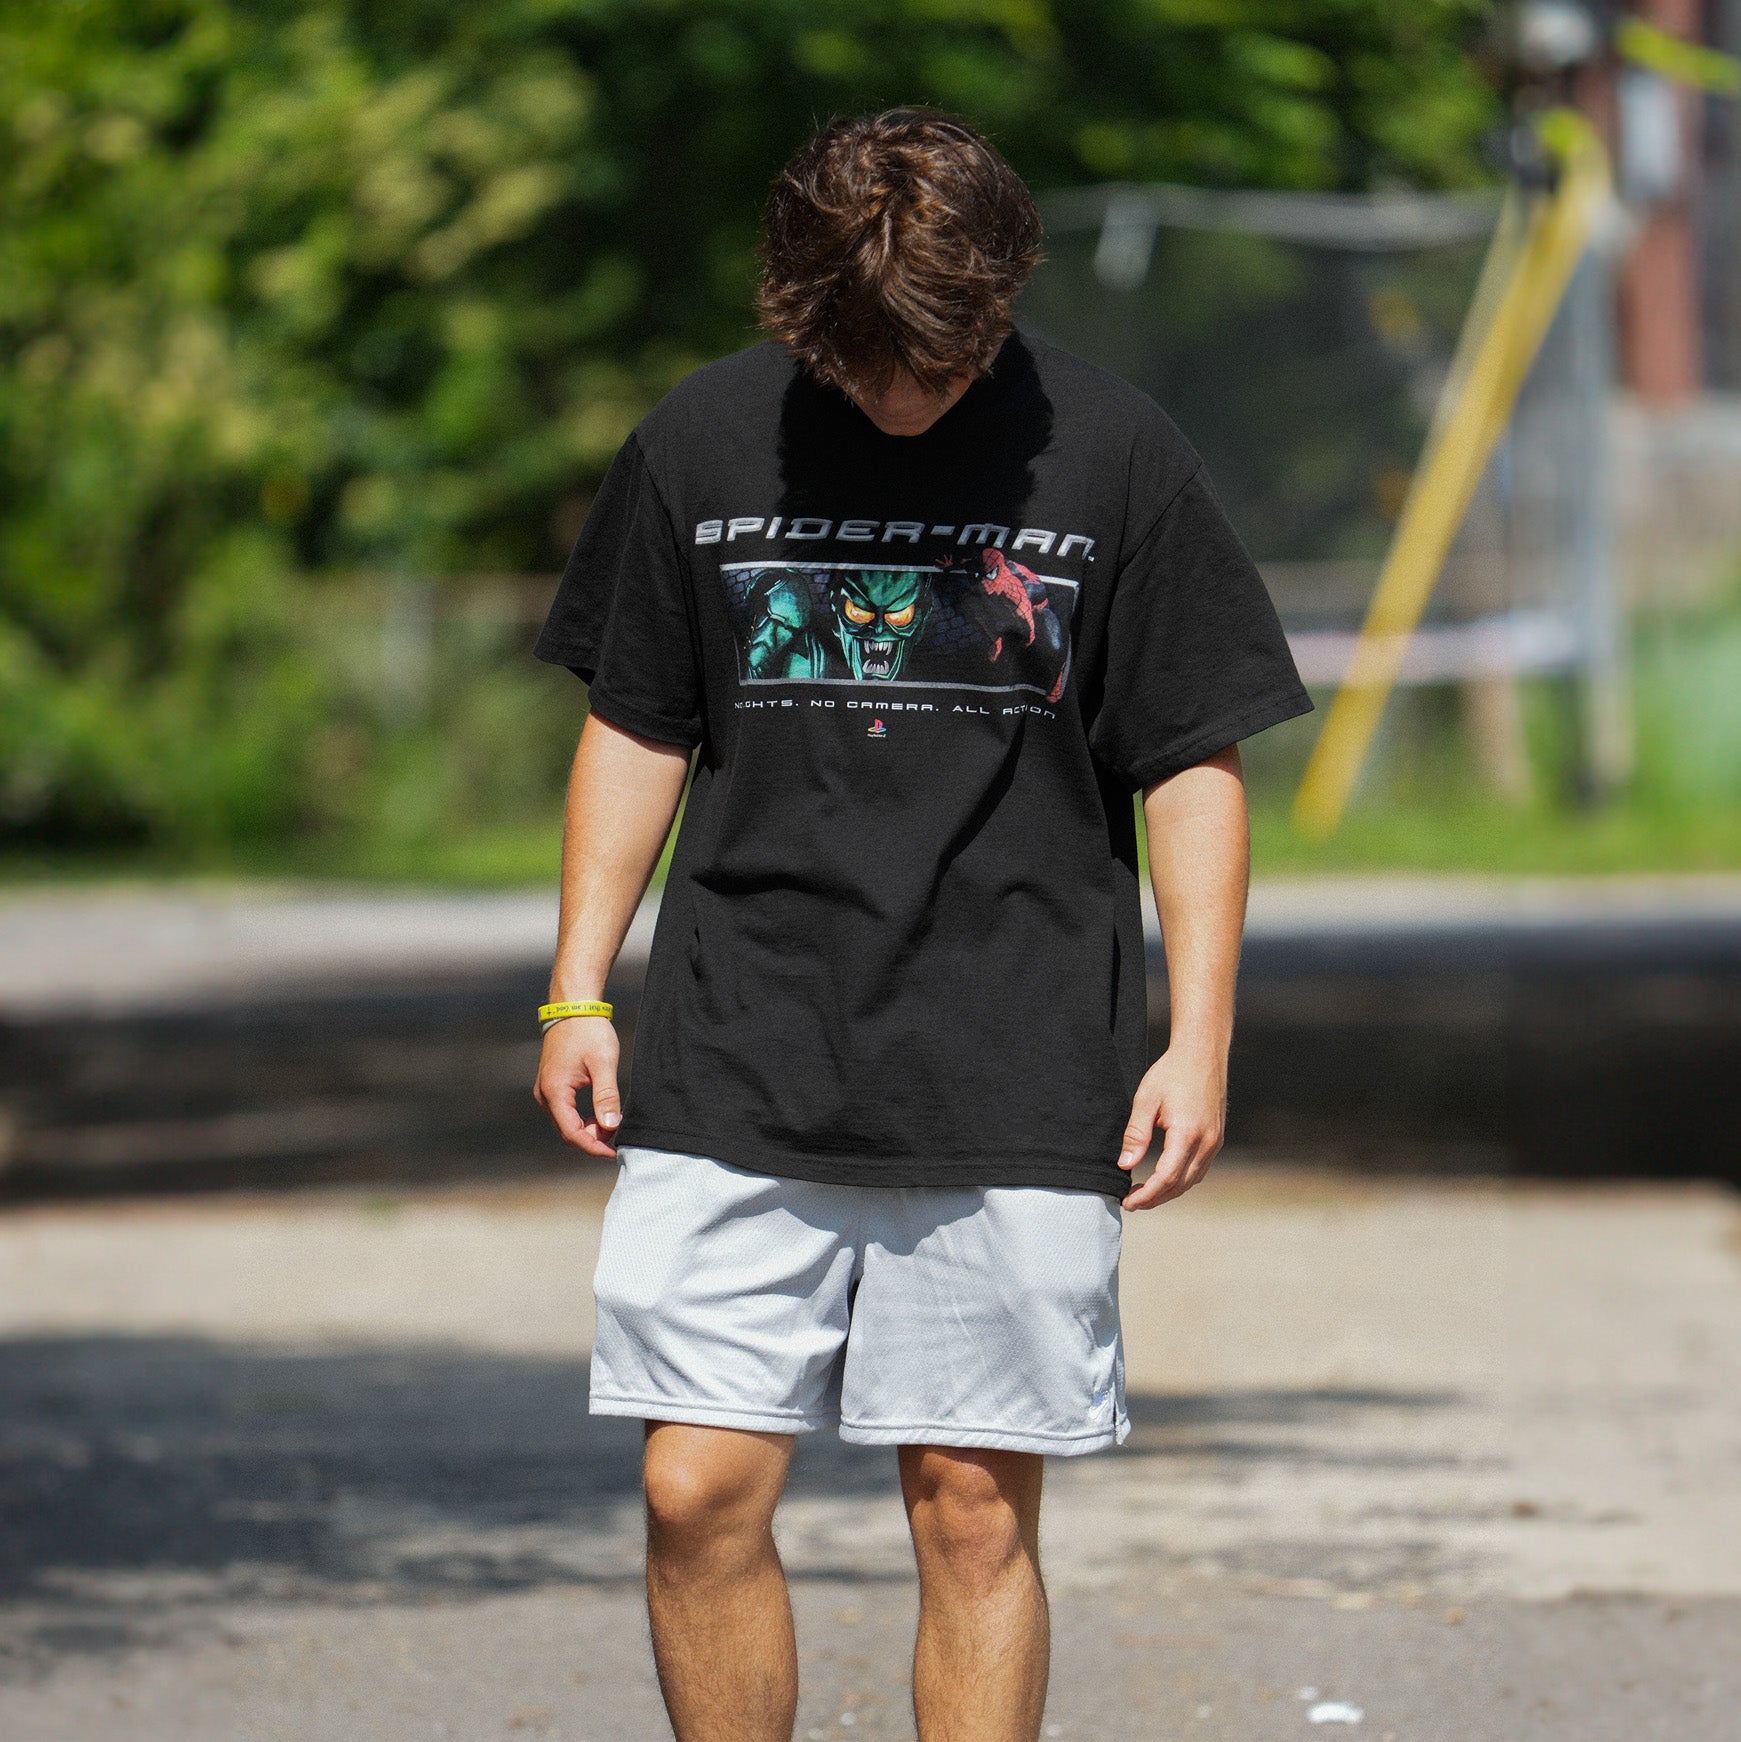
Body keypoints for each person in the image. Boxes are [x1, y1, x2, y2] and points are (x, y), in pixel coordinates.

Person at [532, 108, 1311, 1742]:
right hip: (741, 1040)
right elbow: (637, 719)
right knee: (693, 1488)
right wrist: (576, 989)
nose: (904, 397)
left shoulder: (1114, 453)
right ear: (801, 317)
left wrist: (1200, 1037)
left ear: (1002, 297)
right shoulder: (700, 441)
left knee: (968, 1509)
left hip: (1015, 1053)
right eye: (868, 363)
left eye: (941, 364)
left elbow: (1190, 760)